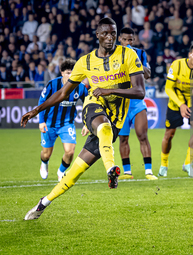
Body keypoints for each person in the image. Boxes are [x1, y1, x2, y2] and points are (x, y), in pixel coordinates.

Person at [21, 17, 145, 220]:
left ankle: (43, 203)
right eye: (105, 33)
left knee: (76, 170)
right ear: (97, 35)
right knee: (103, 127)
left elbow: (140, 91)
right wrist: (36, 110)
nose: (110, 37)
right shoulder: (85, 62)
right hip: (93, 107)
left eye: (113, 33)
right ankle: (111, 169)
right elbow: (62, 93)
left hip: (117, 118)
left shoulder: (128, 55)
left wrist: (109, 90)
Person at [158, 44, 193, 178]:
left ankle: (188, 163)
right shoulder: (176, 65)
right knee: (169, 135)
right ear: (189, 55)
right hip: (176, 102)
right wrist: (181, 104)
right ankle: (164, 164)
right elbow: (168, 88)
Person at [38, 59, 88, 182]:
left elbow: (88, 104)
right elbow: (42, 102)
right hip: (49, 124)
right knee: (46, 154)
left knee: (70, 152)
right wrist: (41, 121)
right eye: (68, 73)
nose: (70, 76)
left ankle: (61, 171)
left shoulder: (80, 87)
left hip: (67, 123)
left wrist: (86, 123)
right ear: (62, 73)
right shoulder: (52, 85)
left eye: (73, 73)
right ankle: (44, 163)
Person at [117, 27, 157, 180]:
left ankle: (148, 171)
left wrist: (136, 60)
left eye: (130, 39)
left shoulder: (140, 53)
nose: (128, 42)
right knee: (123, 138)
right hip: (121, 103)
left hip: (137, 102)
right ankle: (127, 172)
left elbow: (148, 75)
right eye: (125, 39)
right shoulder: (114, 55)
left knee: (142, 135)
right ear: (120, 39)